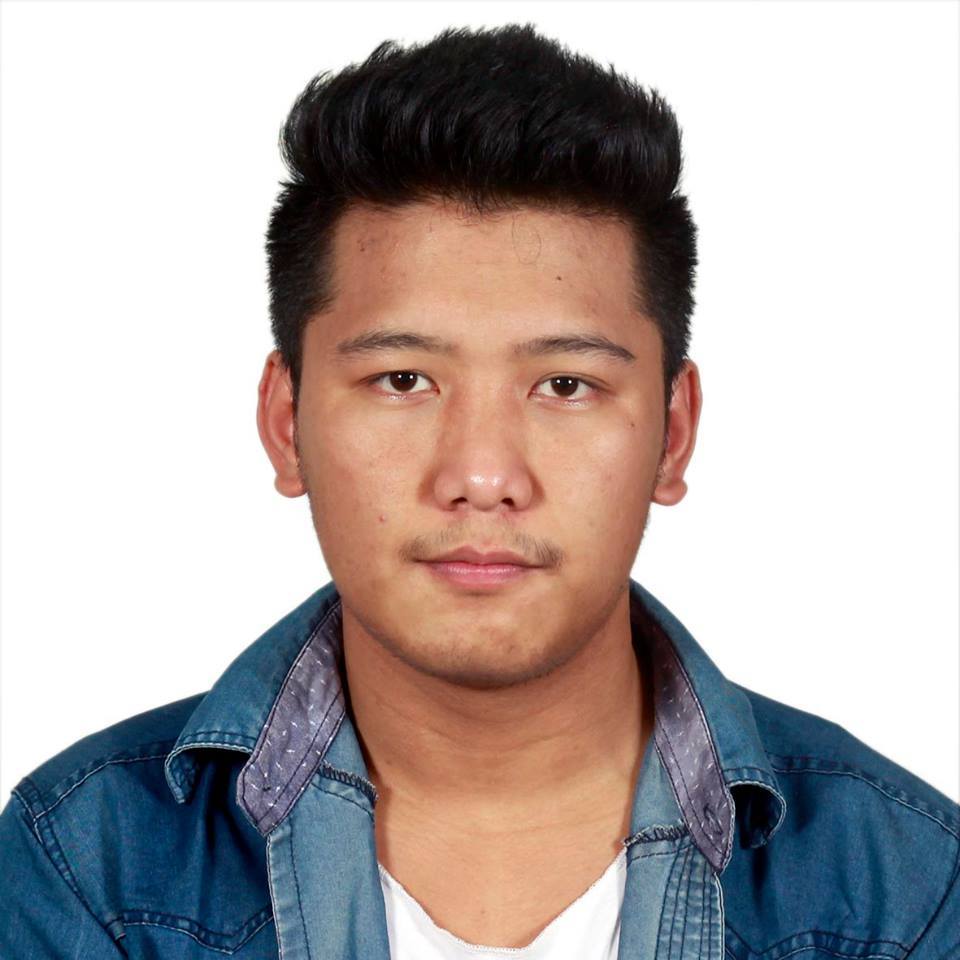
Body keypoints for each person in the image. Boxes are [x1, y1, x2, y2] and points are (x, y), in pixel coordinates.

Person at [1, 22, 957, 960]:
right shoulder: (87, 868)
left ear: (673, 433)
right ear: (287, 423)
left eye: (565, 385)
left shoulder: (903, 893)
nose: (483, 476)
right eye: (403, 380)